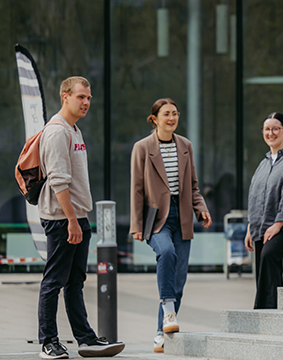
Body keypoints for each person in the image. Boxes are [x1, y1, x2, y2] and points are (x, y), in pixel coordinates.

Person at [36, 76, 125, 358]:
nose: (86, 102)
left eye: (88, 98)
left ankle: (85, 339)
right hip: (63, 219)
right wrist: (72, 221)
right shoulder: (57, 132)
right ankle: (48, 341)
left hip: (77, 217)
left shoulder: (74, 130)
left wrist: (79, 220)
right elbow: (58, 183)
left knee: (75, 282)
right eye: (80, 97)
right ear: (65, 97)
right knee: (54, 281)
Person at [130, 98, 212, 353]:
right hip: (156, 218)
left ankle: (160, 333)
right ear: (154, 118)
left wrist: (202, 208)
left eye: (175, 114)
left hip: (183, 215)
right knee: (166, 252)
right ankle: (168, 314)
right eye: (166, 114)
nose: (172, 118)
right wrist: (136, 224)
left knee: (178, 280)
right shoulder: (142, 148)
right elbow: (136, 189)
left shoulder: (185, 145)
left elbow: (193, 186)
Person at [245, 112, 283, 310]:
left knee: (269, 255)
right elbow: (254, 197)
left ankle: (263, 310)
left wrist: (278, 224)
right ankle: (276, 310)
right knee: (265, 271)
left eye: (275, 129)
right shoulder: (263, 164)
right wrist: (250, 227)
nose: (270, 133)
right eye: (267, 129)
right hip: (260, 228)